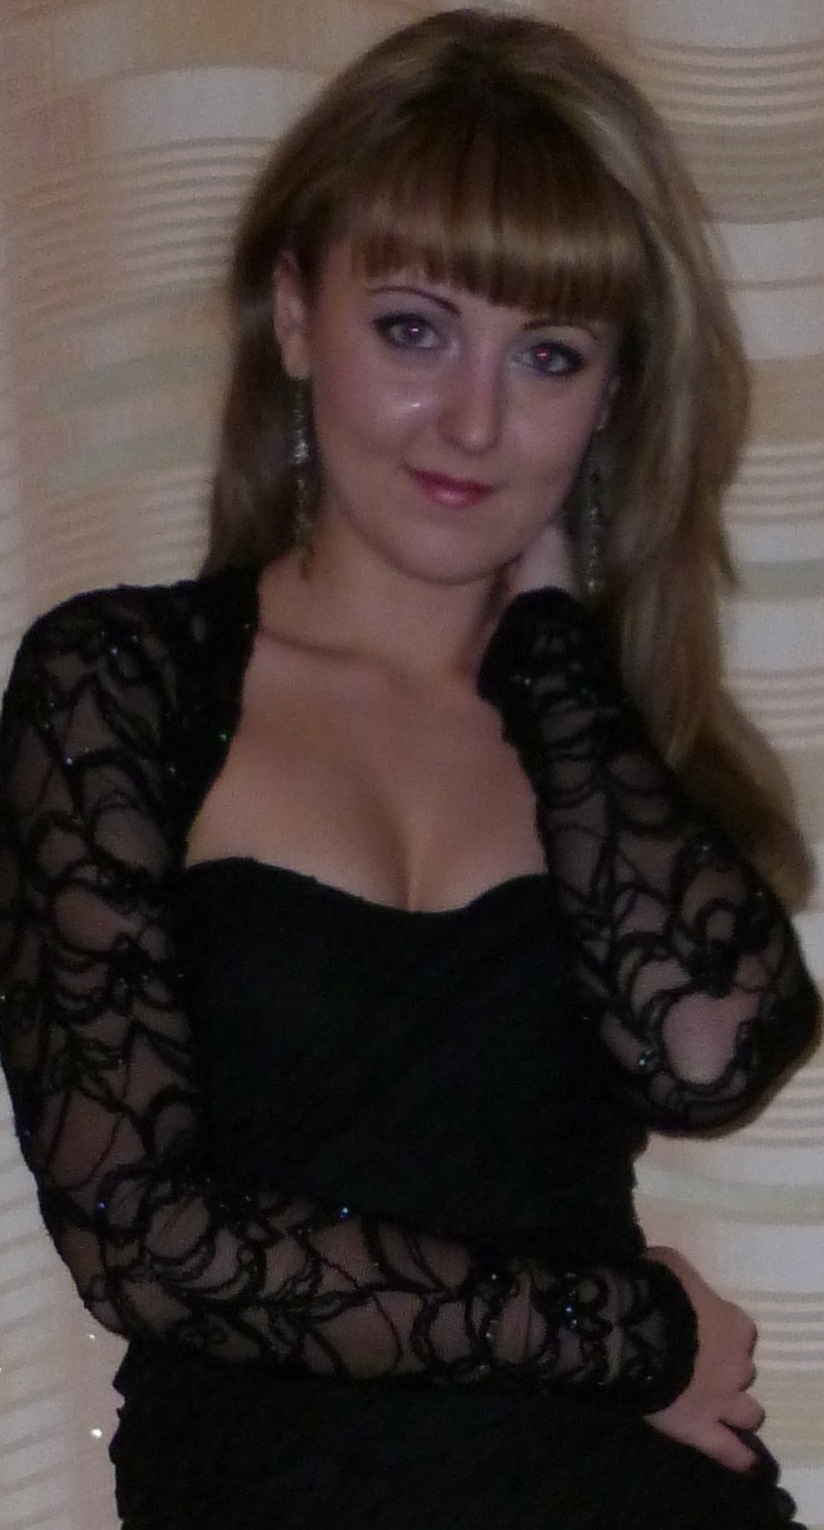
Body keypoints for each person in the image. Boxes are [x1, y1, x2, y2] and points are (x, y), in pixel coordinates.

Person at [0, 9, 819, 1528]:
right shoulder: (123, 684)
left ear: (615, 394)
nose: (476, 420)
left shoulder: (603, 744)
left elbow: (705, 1054)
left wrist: (555, 647)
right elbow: (142, 1236)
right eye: (415, 329)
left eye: (550, 355)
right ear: (294, 312)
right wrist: (622, 1333)